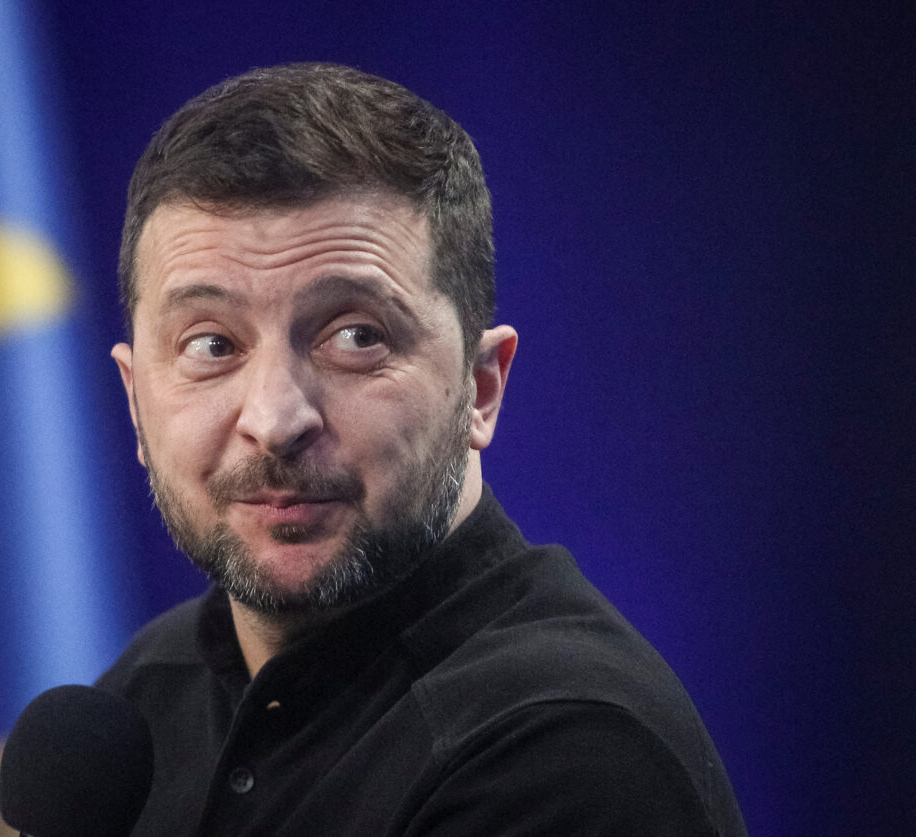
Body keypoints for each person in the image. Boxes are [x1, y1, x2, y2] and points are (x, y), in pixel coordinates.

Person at [100, 62, 746, 836]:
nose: (274, 419)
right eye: (212, 344)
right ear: (135, 399)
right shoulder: (145, 696)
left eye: (356, 337)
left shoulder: (571, 757)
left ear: (482, 387)